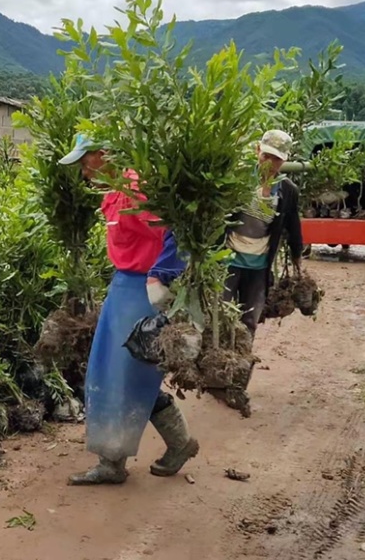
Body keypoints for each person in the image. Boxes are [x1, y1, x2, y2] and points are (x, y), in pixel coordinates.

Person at [59, 134, 199, 486]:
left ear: (104, 155)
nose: (82, 170)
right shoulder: (113, 192)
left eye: (84, 160)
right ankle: (161, 448)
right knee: (113, 374)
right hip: (123, 286)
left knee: (129, 376)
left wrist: (162, 277)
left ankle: (114, 463)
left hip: (143, 292)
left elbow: (177, 232)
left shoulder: (138, 189)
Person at [223, 130, 303, 339]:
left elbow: (293, 226)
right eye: (265, 156)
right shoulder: (238, 179)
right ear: (258, 151)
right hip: (228, 260)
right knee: (219, 316)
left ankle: (242, 365)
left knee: (249, 321)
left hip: (259, 265)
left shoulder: (287, 190)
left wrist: (297, 260)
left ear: (284, 160)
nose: (269, 163)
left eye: (276, 159)